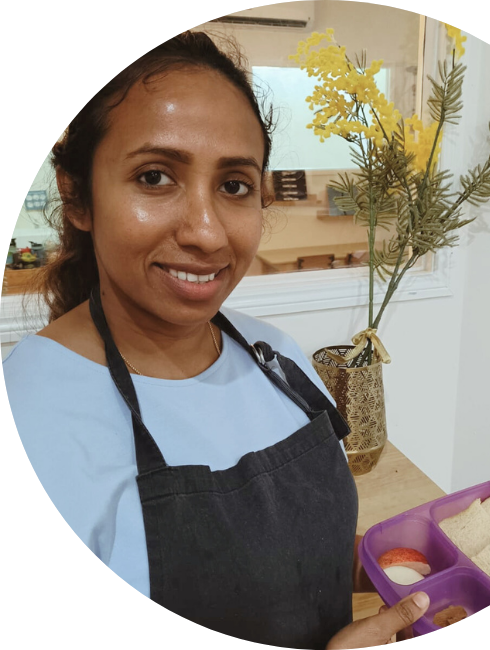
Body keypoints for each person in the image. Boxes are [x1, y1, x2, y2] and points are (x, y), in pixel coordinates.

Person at [3, 31, 430, 648]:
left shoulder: (276, 356)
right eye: (155, 177)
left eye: (233, 185)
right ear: (77, 197)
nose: (206, 233)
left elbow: (296, 557)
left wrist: (393, 571)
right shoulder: (33, 415)